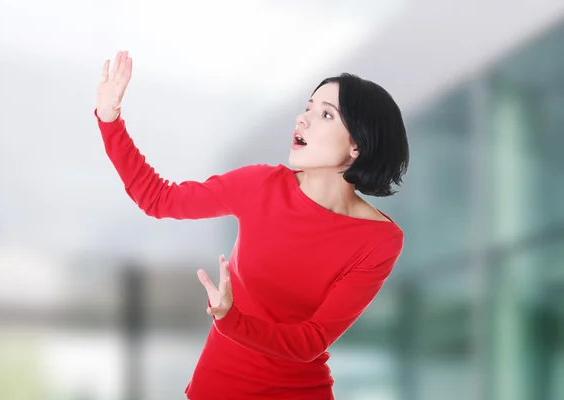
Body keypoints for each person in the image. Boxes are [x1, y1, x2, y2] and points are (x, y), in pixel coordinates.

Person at [95, 50, 409, 400]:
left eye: (325, 114)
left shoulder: (380, 240)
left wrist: (232, 319)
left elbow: (311, 340)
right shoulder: (260, 185)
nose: (302, 119)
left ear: (357, 145)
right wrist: (110, 121)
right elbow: (158, 199)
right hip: (217, 389)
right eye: (307, 108)